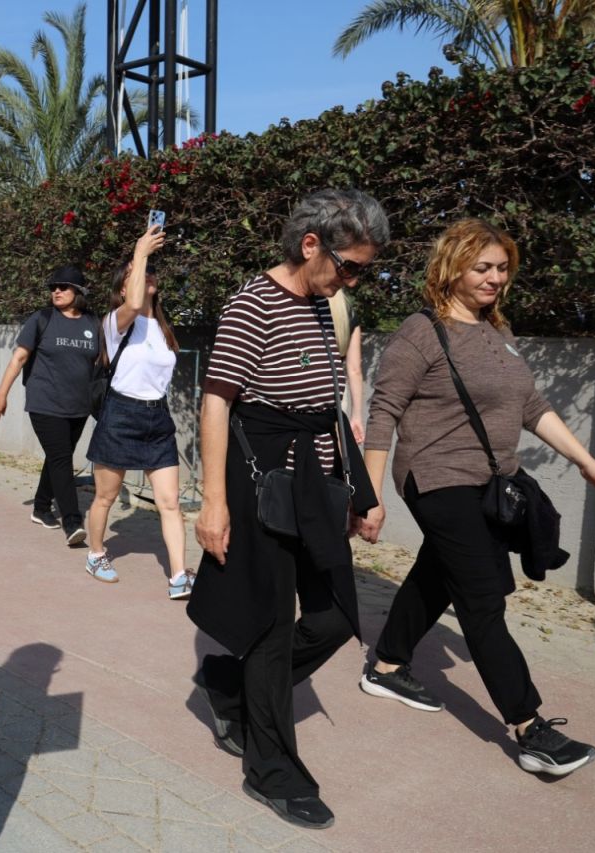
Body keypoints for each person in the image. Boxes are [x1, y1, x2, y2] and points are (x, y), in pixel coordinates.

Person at [359, 218, 595, 777]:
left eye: (502, 268)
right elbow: (384, 412)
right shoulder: (421, 331)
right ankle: (529, 728)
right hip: (434, 476)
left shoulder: (499, 332)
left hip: (490, 480)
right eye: (482, 268)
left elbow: (532, 407)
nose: (495, 278)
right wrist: (370, 495)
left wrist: (588, 462)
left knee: (438, 571)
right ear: (451, 268)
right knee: (482, 597)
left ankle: (387, 665)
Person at [188, 189, 387, 829]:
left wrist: (360, 492)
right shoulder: (254, 303)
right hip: (263, 483)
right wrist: (213, 503)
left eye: (362, 271)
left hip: (317, 487)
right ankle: (271, 770)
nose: (353, 280)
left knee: (334, 618)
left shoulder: (328, 306)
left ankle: (230, 682)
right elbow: (216, 403)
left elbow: (330, 408)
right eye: (349, 266)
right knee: (272, 629)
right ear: (310, 244)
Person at [83, 229, 192, 598]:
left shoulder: (162, 327)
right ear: (123, 287)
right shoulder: (115, 322)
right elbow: (132, 304)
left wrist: (142, 260)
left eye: (148, 272)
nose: (146, 276)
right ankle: (96, 554)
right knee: (106, 496)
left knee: (170, 502)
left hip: (157, 418)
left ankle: (179, 576)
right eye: (136, 274)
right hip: (120, 414)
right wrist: (140, 252)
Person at [0, 264, 100, 545]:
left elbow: (100, 362)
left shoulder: (92, 322)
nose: (56, 291)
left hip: (79, 405)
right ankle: (72, 522)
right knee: (62, 459)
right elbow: (19, 357)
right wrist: (1, 394)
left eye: (62, 287)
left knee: (57, 456)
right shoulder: (42, 319)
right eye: (53, 287)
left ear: (78, 291)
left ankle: (41, 507)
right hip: (45, 402)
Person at [328, 289, 365, 442]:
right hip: (336, 393)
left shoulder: (305, 308)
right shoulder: (347, 312)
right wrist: (356, 415)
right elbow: (354, 369)